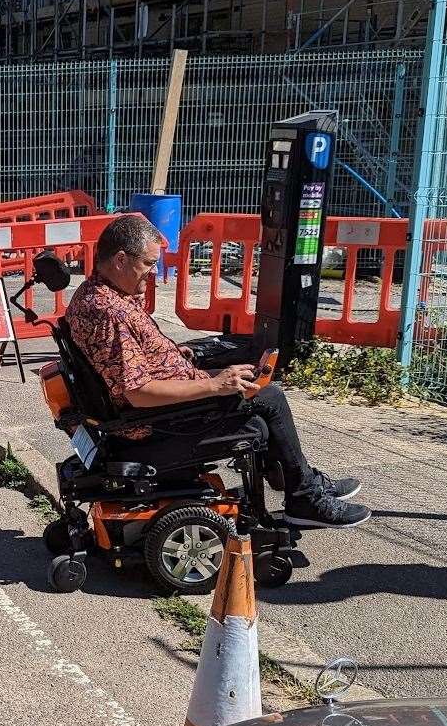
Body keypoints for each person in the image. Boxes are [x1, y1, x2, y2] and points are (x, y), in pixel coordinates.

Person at [63, 214, 371, 528]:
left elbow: (131, 363)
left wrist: (179, 357)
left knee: (248, 371)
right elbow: (139, 392)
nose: (154, 272)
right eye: (148, 263)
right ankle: (304, 495)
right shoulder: (109, 312)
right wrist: (215, 385)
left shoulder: (96, 295)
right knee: (268, 398)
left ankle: (301, 483)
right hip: (155, 425)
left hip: (165, 404)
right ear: (120, 259)